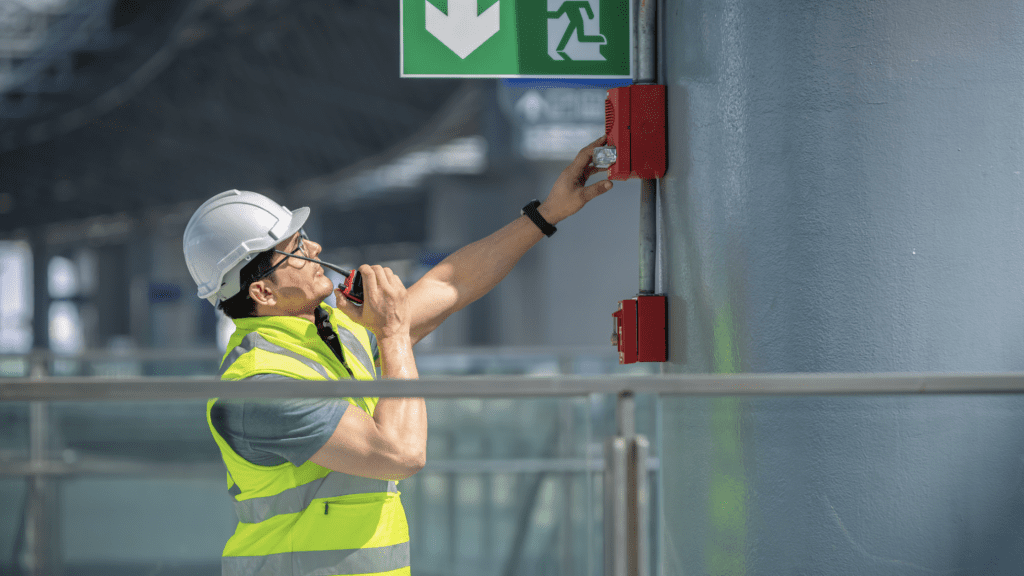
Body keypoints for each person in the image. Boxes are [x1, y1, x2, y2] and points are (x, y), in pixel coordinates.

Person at [181, 136, 614, 576]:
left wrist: (546, 215)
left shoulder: (334, 333)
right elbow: (401, 453)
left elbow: (450, 285)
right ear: (262, 291)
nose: (314, 250)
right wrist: (391, 331)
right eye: (293, 249)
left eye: (304, 238)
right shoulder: (261, 388)